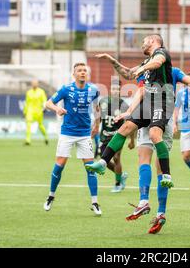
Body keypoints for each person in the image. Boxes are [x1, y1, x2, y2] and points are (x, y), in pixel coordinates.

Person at [89, 34, 190, 234]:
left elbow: (162, 65)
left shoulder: (162, 58)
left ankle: (161, 212)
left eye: (145, 40)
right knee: (141, 156)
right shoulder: (146, 66)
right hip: (146, 109)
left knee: (158, 167)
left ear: (154, 42)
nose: (142, 43)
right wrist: (112, 60)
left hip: (163, 109)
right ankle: (143, 201)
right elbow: (132, 77)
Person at [43, 63, 102, 216]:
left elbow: (97, 108)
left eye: (84, 71)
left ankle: (95, 202)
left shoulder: (93, 90)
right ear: (74, 74)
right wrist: (57, 109)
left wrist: (97, 124)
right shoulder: (66, 89)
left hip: (84, 134)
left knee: (90, 167)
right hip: (67, 133)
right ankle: (51, 196)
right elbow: (48, 103)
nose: (82, 73)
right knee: (60, 165)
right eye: (79, 71)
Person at [97, 80, 135, 193]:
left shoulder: (124, 105)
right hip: (104, 136)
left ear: (120, 90)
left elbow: (130, 124)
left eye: (117, 89)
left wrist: (132, 140)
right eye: (113, 88)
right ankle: (121, 175)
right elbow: (98, 115)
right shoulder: (103, 101)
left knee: (116, 158)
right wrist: (95, 127)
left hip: (118, 136)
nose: (115, 91)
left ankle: (118, 184)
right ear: (110, 89)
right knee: (104, 160)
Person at [23, 79, 49, 146]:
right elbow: (27, 103)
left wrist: (45, 108)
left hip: (39, 111)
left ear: (37, 84)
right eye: (33, 83)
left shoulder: (41, 92)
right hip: (30, 111)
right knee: (28, 124)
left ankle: (46, 137)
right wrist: (25, 112)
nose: (34, 84)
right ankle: (28, 140)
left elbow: (44, 101)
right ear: (31, 84)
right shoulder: (29, 92)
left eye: (35, 83)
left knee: (40, 126)